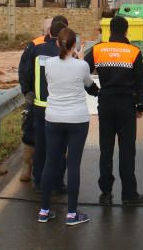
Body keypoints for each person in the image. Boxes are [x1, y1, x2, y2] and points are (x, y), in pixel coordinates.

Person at [37, 28, 99, 226]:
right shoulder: (81, 66)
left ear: (57, 44)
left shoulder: (48, 64)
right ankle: (71, 214)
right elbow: (90, 87)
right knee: (73, 165)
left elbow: (51, 83)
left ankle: (44, 211)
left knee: (50, 162)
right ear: (75, 45)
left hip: (53, 118)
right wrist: (79, 59)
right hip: (77, 120)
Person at [85, 16, 143, 206]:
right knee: (127, 150)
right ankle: (129, 193)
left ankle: (106, 192)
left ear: (110, 31)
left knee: (106, 149)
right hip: (126, 105)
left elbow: (80, 71)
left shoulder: (98, 49)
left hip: (105, 103)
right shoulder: (133, 52)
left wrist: (94, 91)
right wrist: (141, 104)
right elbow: (141, 81)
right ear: (127, 31)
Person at [24, 17, 69, 192]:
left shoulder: (37, 49)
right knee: (59, 146)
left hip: (40, 106)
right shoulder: (67, 52)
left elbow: (27, 74)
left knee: (41, 145)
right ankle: (57, 183)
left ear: (49, 33)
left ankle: (39, 181)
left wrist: (28, 93)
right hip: (61, 107)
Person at [16, 18, 53, 182]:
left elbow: (24, 71)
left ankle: (31, 169)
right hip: (42, 99)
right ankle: (29, 167)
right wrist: (28, 92)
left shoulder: (34, 45)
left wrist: (28, 92)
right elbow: (24, 71)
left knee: (33, 133)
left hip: (40, 99)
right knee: (32, 134)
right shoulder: (35, 45)